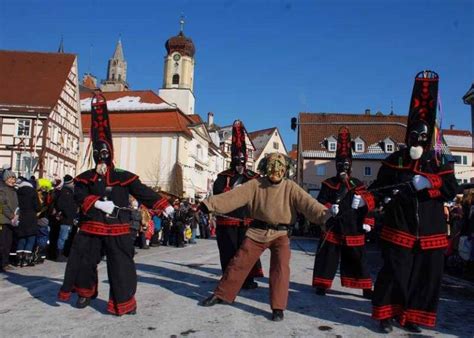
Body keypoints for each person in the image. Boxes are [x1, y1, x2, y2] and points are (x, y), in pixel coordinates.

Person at [58, 93, 173, 315]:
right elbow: (78, 196)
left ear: (110, 155)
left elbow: (143, 192)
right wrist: (98, 205)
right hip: (91, 226)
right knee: (84, 262)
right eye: (98, 154)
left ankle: (124, 302)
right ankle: (85, 293)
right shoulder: (84, 177)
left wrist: (164, 205)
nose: (101, 157)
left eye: (105, 153)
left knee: (121, 267)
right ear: (93, 156)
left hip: (118, 228)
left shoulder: (123, 176)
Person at [363, 71, 457, 333]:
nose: (417, 141)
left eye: (421, 138)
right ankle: (386, 315)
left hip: (431, 232)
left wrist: (431, 183)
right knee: (395, 273)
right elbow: (379, 189)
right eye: (413, 137)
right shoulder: (395, 160)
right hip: (399, 229)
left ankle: (413, 317)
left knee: (425, 278)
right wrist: (366, 205)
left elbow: (451, 189)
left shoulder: (439, 162)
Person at [200, 152, 332, 321]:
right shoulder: (255, 185)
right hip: (257, 232)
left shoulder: (290, 187)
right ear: (266, 168)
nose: (275, 171)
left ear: (285, 169)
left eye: (279, 168)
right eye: (272, 167)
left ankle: (278, 307)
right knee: (238, 262)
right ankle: (222, 294)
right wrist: (208, 205)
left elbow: (309, 204)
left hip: (281, 234)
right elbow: (233, 197)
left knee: (281, 269)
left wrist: (326, 216)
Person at [312, 127, 374, 299]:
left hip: (353, 226)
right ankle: (322, 284)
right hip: (334, 226)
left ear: (350, 165)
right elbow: (320, 201)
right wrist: (329, 206)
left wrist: (365, 210)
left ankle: (365, 287)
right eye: (340, 164)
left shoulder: (358, 184)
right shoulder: (328, 183)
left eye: (345, 164)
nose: (343, 167)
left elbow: (370, 203)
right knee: (327, 257)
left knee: (358, 258)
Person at [213, 120, 263, 289]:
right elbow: (217, 196)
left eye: (243, 159)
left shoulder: (253, 177)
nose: (240, 162)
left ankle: (247, 280)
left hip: (248, 222)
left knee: (246, 254)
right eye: (237, 159)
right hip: (227, 223)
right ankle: (229, 281)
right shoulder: (223, 176)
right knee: (228, 253)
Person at [15, 177, 40, 267]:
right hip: (31, 217)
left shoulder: (18, 192)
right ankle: (26, 260)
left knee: (21, 238)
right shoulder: (33, 191)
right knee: (30, 238)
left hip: (20, 217)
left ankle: (18, 260)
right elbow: (37, 207)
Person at [54, 175, 77, 262]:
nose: (73, 184)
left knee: (66, 237)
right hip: (65, 219)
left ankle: (64, 253)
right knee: (63, 237)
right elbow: (61, 205)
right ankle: (59, 254)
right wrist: (67, 213)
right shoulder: (64, 192)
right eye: (72, 182)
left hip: (70, 219)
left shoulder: (70, 192)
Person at [0, 170, 18, 271]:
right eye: (10, 178)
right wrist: (12, 216)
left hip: (11, 221)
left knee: (8, 242)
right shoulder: (2, 190)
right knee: (3, 243)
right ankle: (2, 263)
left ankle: (5, 262)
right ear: (5, 179)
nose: (13, 180)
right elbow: (3, 205)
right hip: (3, 220)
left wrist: (16, 215)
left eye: (14, 178)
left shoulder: (14, 190)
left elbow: (16, 206)